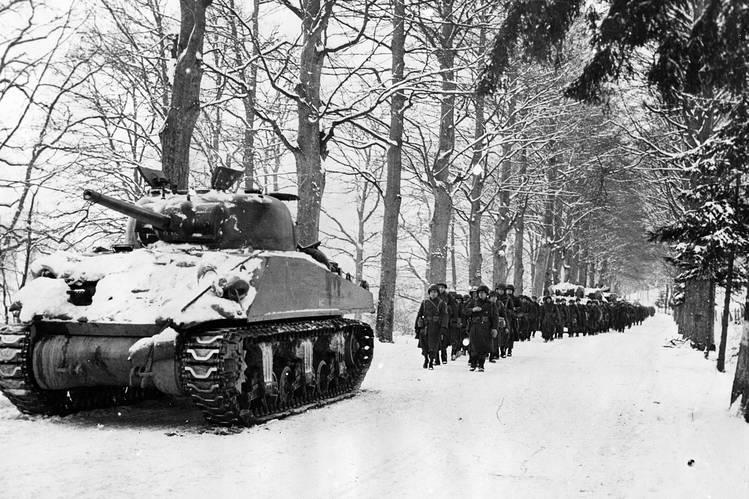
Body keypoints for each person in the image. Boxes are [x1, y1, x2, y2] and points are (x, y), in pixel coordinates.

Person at [414, 284, 448, 369]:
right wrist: (417, 327)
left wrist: (443, 327)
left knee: (433, 346)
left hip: (435, 327)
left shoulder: (441, 303)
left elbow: (444, 315)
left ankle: (431, 362)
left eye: (435, 292)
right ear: (429, 293)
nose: (433, 294)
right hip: (425, 326)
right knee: (424, 345)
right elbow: (419, 314)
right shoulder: (424, 303)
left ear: (437, 293)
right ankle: (426, 358)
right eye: (432, 292)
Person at [466, 284, 498, 372]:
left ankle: (481, 365)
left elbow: (495, 317)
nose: (481, 294)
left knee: (483, 347)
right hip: (474, 327)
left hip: (485, 328)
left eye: (483, 293)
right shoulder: (473, 302)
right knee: (473, 346)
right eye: (479, 293)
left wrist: (494, 328)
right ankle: (473, 363)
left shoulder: (491, 305)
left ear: (486, 294)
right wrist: (472, 310)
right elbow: (464, 311)